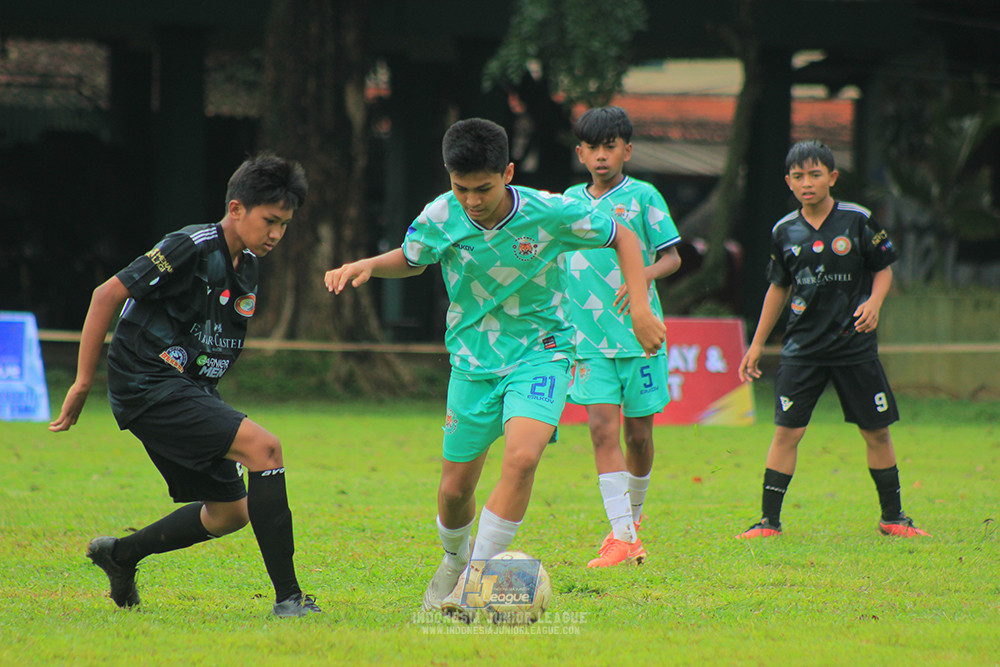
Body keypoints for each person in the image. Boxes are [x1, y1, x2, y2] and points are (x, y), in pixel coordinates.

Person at [324, 118, 666, 620]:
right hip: (471, 365)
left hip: (541, 353)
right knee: (453, 491)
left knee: (522, 458)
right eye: (461, 188)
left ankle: (473, 582)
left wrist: (639, 308)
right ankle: (455, 557)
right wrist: (371, 264)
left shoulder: (548, 211)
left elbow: (625, 240)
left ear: (507, 173)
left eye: (483, 188)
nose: (473, 200)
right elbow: (414, 258)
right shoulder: (441, 215)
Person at [49, 153, 322, 616]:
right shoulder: (190, 245)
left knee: (229, 513)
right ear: (236, 209)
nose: (276, 233)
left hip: (185, 388)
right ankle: (290, 600)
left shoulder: (248, 265)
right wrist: (81, 383)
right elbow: (106, 295)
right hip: (146, 381)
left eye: (285, 225)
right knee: (265, 449)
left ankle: (121, 555)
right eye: (270, 220)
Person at [735, 140, 929, 540]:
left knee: (876, 431)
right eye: (799, 176)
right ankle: (769, 522)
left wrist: (874, 302)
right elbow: (778, 288)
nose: (807, 183)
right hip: (802, 349)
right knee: (787, 432)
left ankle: (893, 518)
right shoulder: (783, 231)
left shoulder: (858, 221)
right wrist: (756, 344)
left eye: (815, 174)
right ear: (789, 182)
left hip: (853, 346)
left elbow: (884, 269)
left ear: (832, 177)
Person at [563, 107, 682, 567]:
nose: (600, 155)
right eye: (592, 147)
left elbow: (672, 258)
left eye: (610, 146)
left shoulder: (644, 197)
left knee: (638, 435)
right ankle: (621, 536)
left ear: (627, 151)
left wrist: (640, 278)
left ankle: (632, 521)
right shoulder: (570, 203)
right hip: (587, 339)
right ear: (580, 153)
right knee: (599, 429)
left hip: (639, 336)